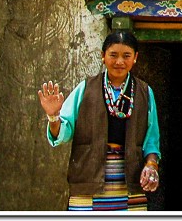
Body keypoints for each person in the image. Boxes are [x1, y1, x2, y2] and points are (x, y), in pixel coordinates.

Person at [38, 30, 161, 211]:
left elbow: (152, 141)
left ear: (135, 57)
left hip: (130, 185)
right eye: (113, 55)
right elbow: (63, 133)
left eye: (126, 56)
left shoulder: (144, 92)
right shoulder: (85, 89)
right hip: (88, 183)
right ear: (103, 56)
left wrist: (151, 166)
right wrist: (53, 116)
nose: (119, 61)